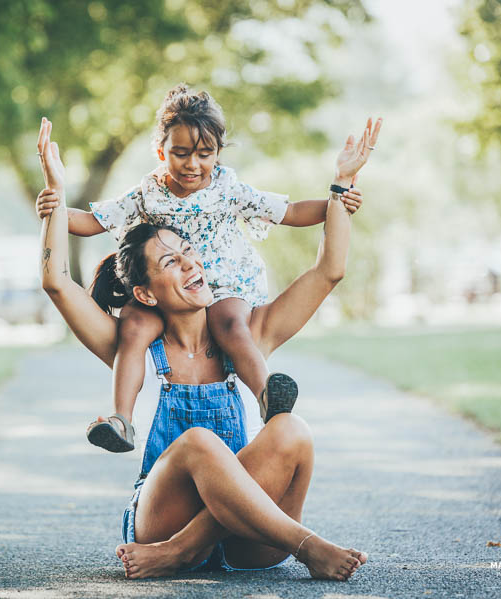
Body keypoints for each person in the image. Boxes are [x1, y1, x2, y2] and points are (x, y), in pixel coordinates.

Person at [35, 115, 381, 579]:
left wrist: (340, 186)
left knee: (291, 428)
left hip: (245, 537)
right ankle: (307, 545)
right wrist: (56, 199)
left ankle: (186, 549)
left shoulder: (247, 336)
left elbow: (328, 272)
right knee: (199, 442)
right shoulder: (130, 347)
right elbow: (56, 281)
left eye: (188, 252)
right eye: (170, 262)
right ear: (145, 293)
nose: (191, 265)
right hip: (159, 519)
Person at [34, 84, 367, 453]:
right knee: (133, 328)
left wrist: (338, 197)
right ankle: (122, 420)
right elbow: (95, 222)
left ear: (218, 153)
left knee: (230, 326)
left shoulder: (229, 189)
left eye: (205, 154)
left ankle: (267, 398)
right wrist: (56, 204)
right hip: (163, 295)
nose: (193, 165)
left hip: (224, 284)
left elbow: (289, 213)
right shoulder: (147, 193)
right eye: (180, 154)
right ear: (161, 151)